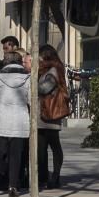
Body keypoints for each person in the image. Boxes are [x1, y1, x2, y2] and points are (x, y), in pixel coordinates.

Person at [0, 50, 30, 197]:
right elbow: (30, 99)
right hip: (19, 120)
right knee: (16, 155)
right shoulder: (27, 77)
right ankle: (13, 187)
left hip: (2, 118)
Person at [37, 44, 67, 188]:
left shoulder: (54, 70)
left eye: (40, 56)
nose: (38, 59)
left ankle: (55, 176)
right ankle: (43, 177)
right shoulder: (46, 70)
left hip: (50, 114)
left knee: (54, 145)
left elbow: (44, 88)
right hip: (42, 115)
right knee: (41, 148)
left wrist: (32, 82)